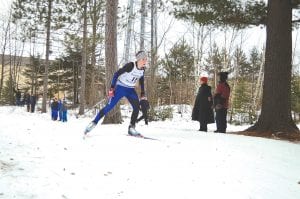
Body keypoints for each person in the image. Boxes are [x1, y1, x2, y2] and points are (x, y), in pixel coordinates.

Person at [85, 51, 148, 136]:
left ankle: (131, 128)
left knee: (136, 107)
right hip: (120, 88)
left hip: (130, 90)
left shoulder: (143, 69)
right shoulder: (131, 66)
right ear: (139, 59)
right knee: (109, 107)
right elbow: (116, 74)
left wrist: (143, 93)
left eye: (146, 59)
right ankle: (94, 122)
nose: (145, 61)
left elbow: (141, 79)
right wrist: (112, 88)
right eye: (144, 59)